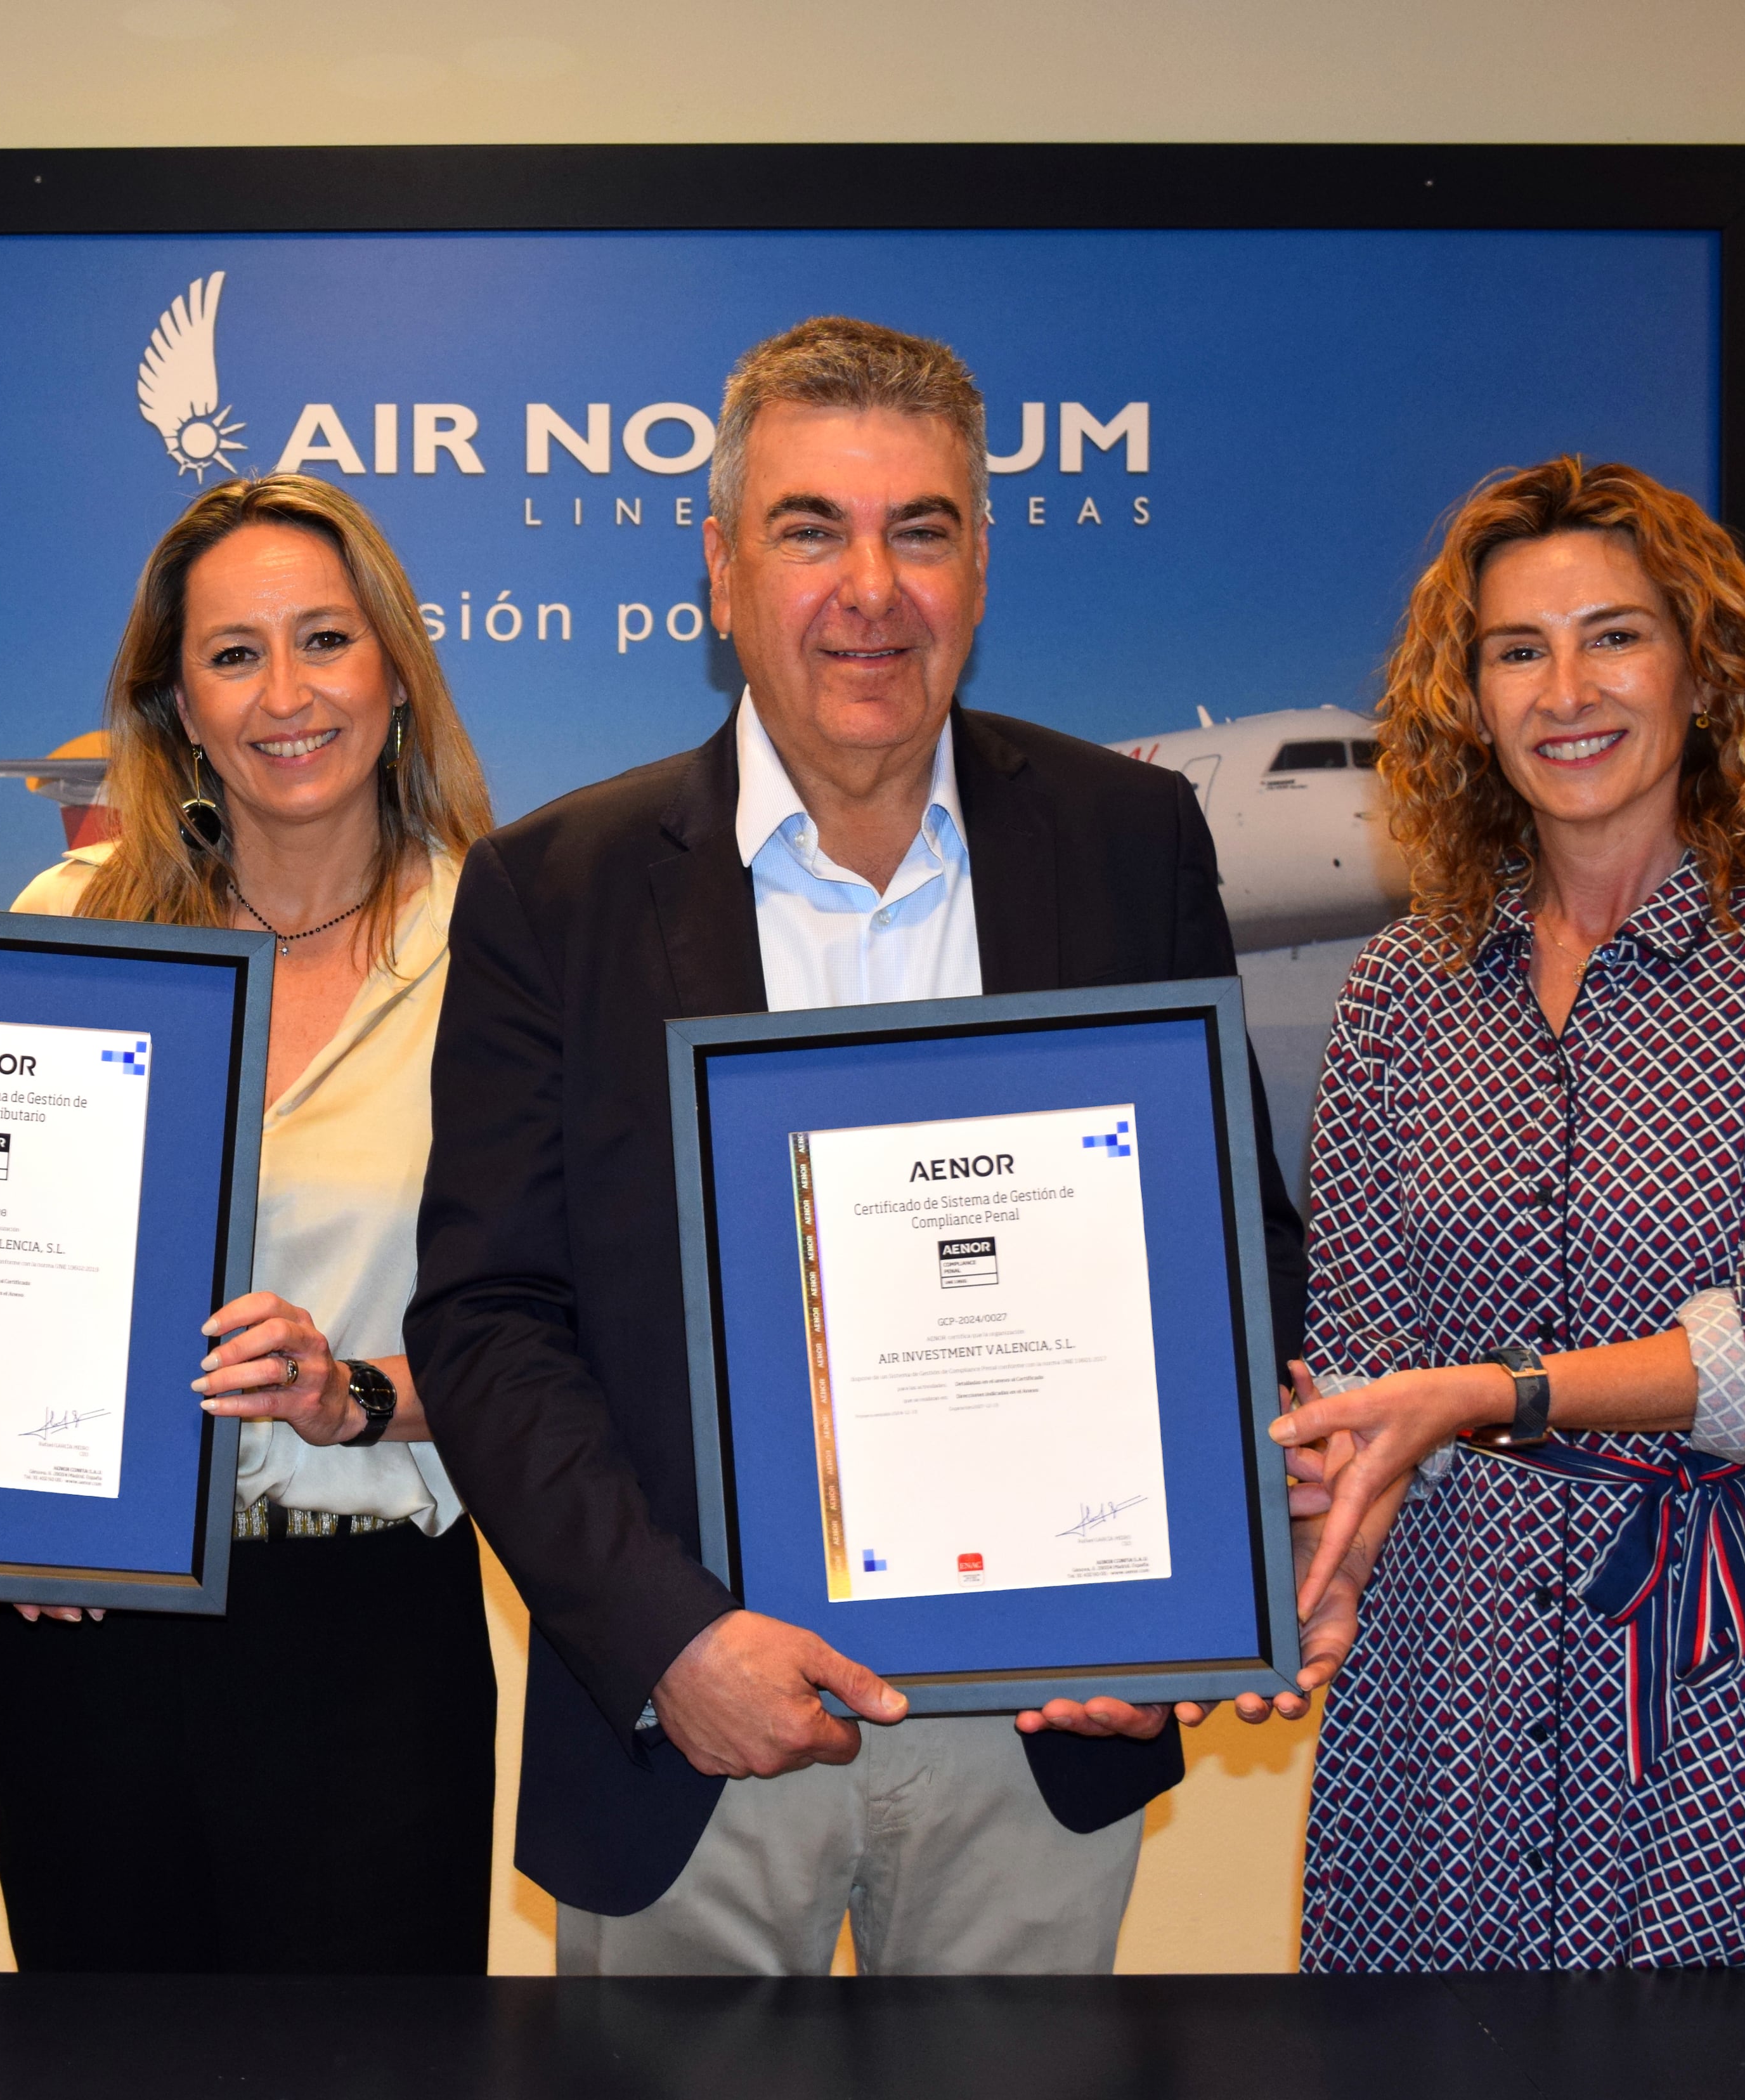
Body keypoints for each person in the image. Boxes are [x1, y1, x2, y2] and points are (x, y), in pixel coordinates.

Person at [407, 316, 1311, 1976]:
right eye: (811, 528)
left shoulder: (1131, 844)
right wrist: (667, 1639)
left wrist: (1183, 1594)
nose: (870, 590)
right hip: (689, 1726)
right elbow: (487, 1321)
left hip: (1044, 1722)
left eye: (923, 529)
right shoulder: (559, 888)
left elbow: (1236, 1252)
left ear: (979, 560)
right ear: (722, 569)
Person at [1266, 457, 1745, 1967]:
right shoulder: (1395, 997)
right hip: (1447, 1665)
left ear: (1706, 669)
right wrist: (1308, 1582)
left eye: (1613, 635)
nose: (1566, 689)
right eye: (1515, 650)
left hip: (1734, 1655)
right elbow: (1360, 1366)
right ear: (1469, 703)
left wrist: (1494, 1392)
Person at [0, 475, 502, 1973]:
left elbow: (562, 1336)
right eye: (233, 653)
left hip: (365, 1631)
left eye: (326, 640)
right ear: (176, 704)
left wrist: (358, 1394)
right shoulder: (72, 918)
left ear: (395, 672)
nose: (287, 694)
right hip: (86, 1632)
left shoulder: (498, 943)